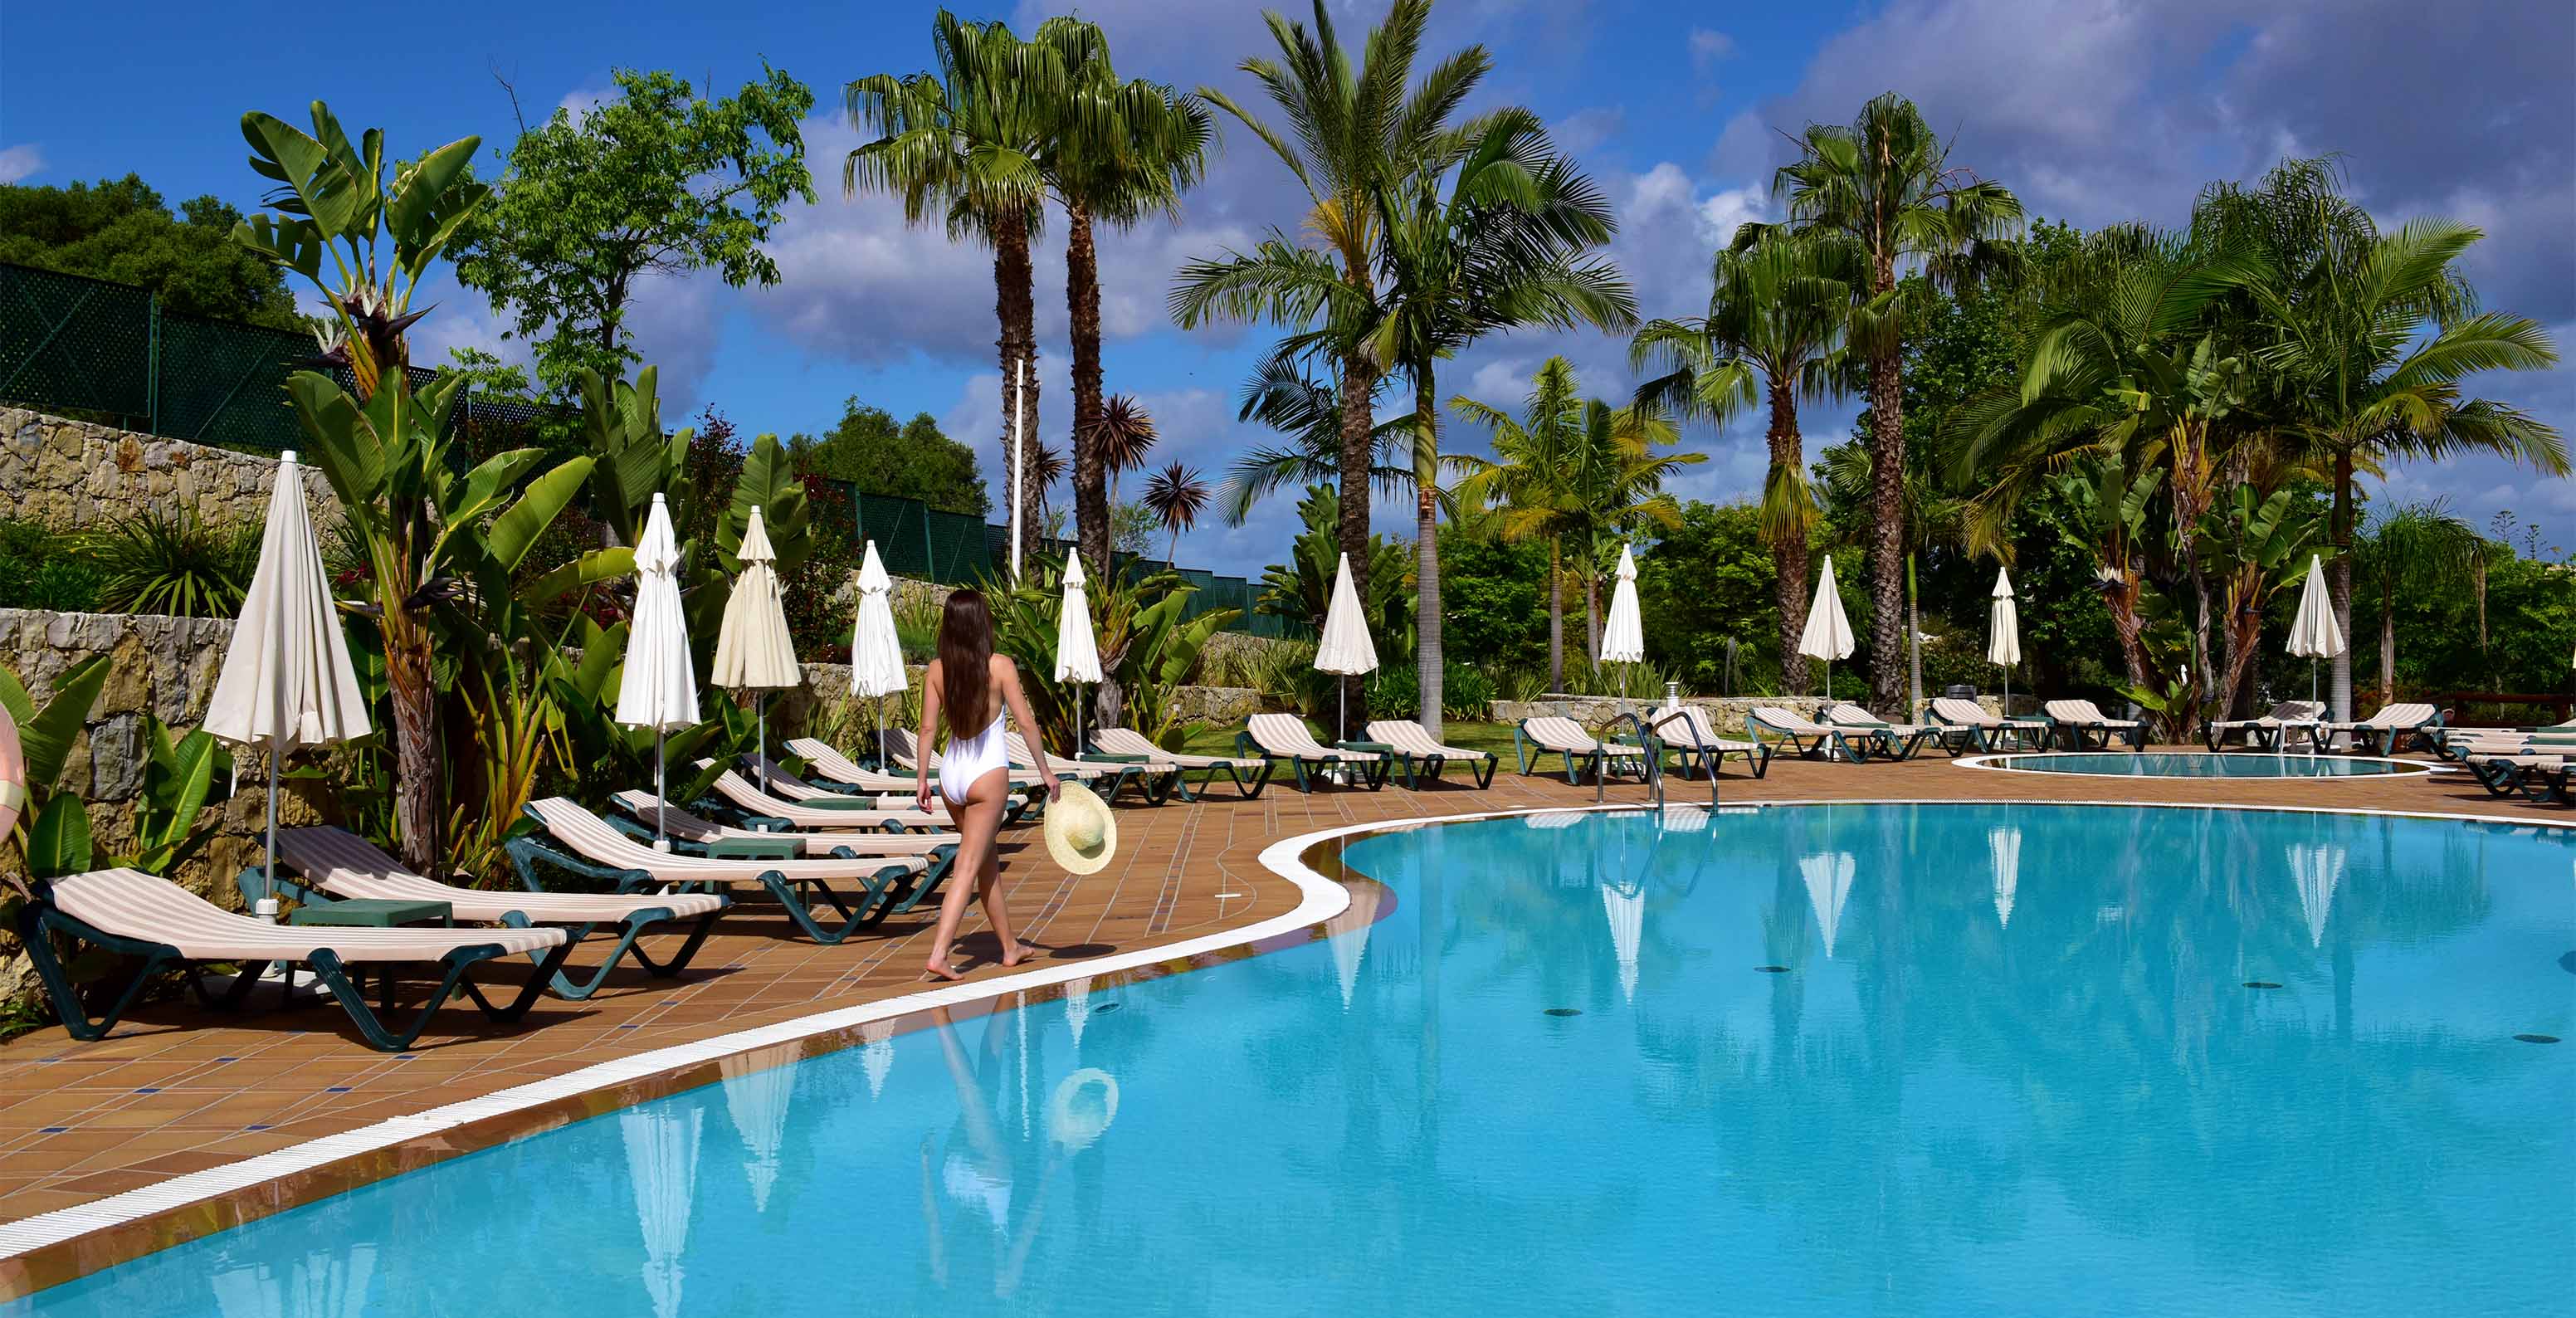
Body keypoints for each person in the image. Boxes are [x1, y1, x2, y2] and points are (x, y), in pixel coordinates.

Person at [915, 588, 1060, 981]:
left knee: (986, 863)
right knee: (967, 866)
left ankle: (1009, 947)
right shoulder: (1000, 666)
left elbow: (928, 728)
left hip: (951, 776)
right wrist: (1046, 772)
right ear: (983, 624)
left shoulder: (936, 669)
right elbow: (1027, 723)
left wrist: (922, 779)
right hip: (986, 775)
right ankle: (940, 953)